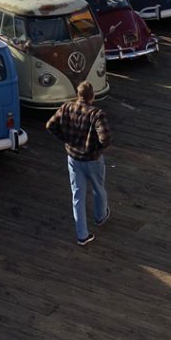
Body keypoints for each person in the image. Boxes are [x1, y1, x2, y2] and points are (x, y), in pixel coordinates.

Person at [46, 81, 111, 247]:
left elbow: (50, 125)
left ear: (78, 94)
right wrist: (95, 148)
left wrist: (66, 140)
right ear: (92, 96)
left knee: (78, 195)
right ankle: (100, 216)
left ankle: (82, 235)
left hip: (73, 159)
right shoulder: (96, 114)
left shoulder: (66, 108)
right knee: (98, 189)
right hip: (93, 159)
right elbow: (105, 139)